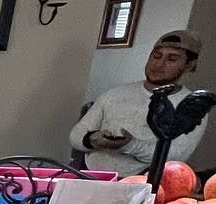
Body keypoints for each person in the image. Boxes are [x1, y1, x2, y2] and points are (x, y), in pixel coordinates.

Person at [70, 30, 208, 174]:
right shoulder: (114, 94)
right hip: (89, 174)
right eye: (156, 56)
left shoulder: (192, 105)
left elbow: (176, 156)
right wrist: (92, 139)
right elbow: (76, 135)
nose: (159, 64)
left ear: (190, 65)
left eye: (172, 59)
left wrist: (130, 145)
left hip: (142, 180)